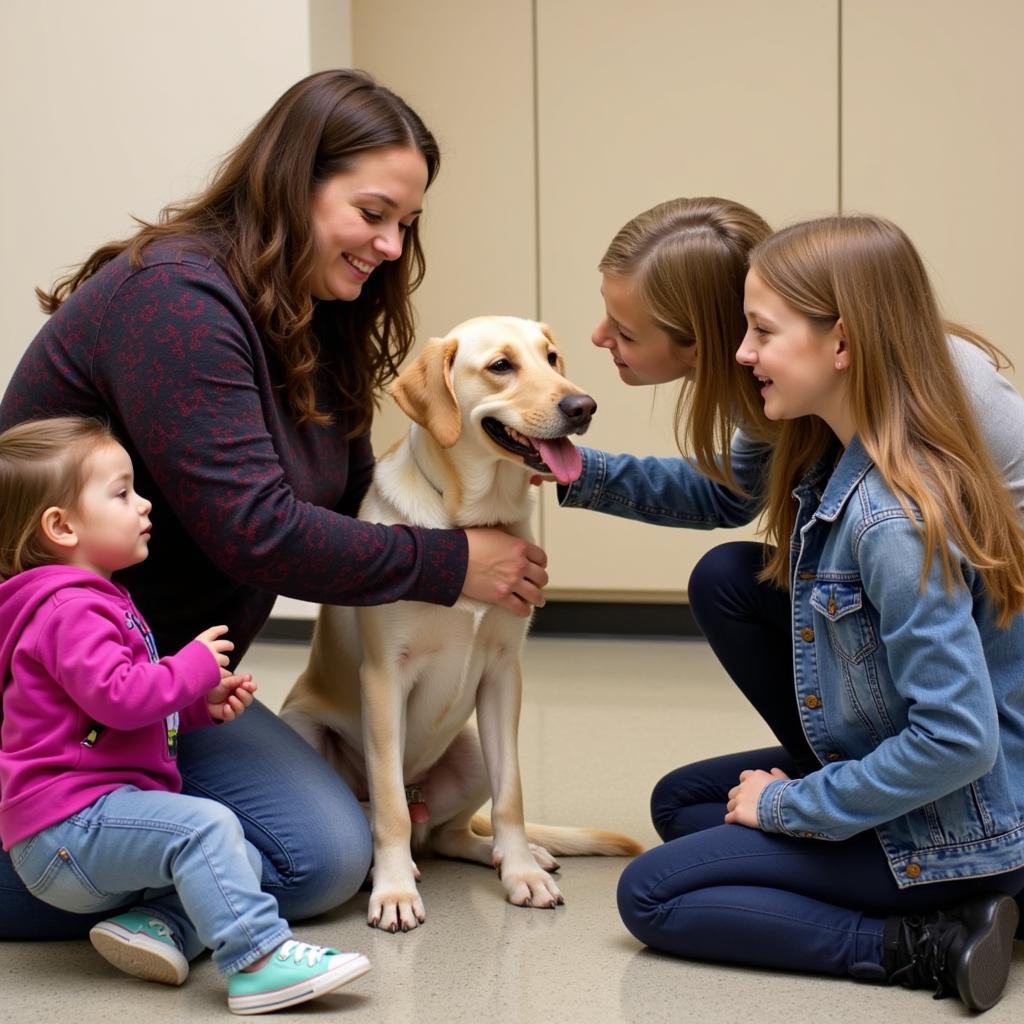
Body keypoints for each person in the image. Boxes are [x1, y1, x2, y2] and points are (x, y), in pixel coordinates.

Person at [0, 69, 548, 940]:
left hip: (171, 687)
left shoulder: (314, 315)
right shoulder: (176, 302)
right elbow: (256, 531)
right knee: (309, 856)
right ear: (294, 183)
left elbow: (349, 495)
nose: (392, 246)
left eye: (405, 223)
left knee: (327, 855)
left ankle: (155, 889)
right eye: (372, 215)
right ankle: (72, 856)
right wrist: (453, 564)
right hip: (55, 697)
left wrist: (490, 484)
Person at [613, 216, 1024, 1009]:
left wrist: (788, 804)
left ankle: (925, 944)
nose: (739, 354)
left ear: (843, 346)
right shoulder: (847, 457)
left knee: (652, 896)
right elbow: (720, 490)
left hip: (962, 819)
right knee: (681, 805)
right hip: (951, 797)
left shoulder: (891, 520)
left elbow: (959, 740)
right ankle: (930, 875)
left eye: (761, 331)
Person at [558, 195, 1024, 770]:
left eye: (625, 331)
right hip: (940, 635)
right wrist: (568, 470)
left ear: (701, 341)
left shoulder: (905, 405)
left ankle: (870, 796)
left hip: (988, 657)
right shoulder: (788, 382)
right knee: (725, 589)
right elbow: (732, 490)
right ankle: (844, 775)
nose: (599, 336)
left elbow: (963, 607)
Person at [0, 417, 371, 1014]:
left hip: (93, 820)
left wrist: (197, 708)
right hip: (67, 830)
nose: (143, 503)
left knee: (244, 857)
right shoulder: (67, 610)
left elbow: (113, 720)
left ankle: (156, 927)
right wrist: (191, 666)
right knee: (207, 826)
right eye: (121, 494)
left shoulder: (95, 599)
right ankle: (257, 963)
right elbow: (117, 697)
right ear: (62, 526)